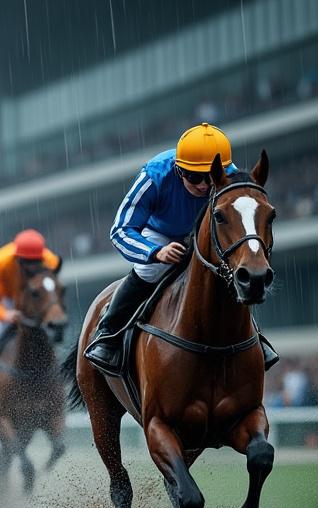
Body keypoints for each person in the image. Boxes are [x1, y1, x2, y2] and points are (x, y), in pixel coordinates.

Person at [85, 123, 278, 375]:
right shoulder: (155, 175)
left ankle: (256, 338)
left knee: (232, 272)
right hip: (161, 234)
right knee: (149, 271)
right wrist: (156, 252)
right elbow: (120, 230)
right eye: (194, 177)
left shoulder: (229, 177)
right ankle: (108, 334)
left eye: (209, 177)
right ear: (178, 169)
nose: (203, 186)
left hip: (204, 233)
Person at [0, 229, 61, 400]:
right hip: (6, 300)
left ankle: (61, 374)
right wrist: (6, 315)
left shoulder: (51, 261)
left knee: (52, 327)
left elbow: (50, 290)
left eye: (36, 262)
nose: (32, 267)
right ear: (17, 258)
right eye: (27, 262)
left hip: (31, 300)